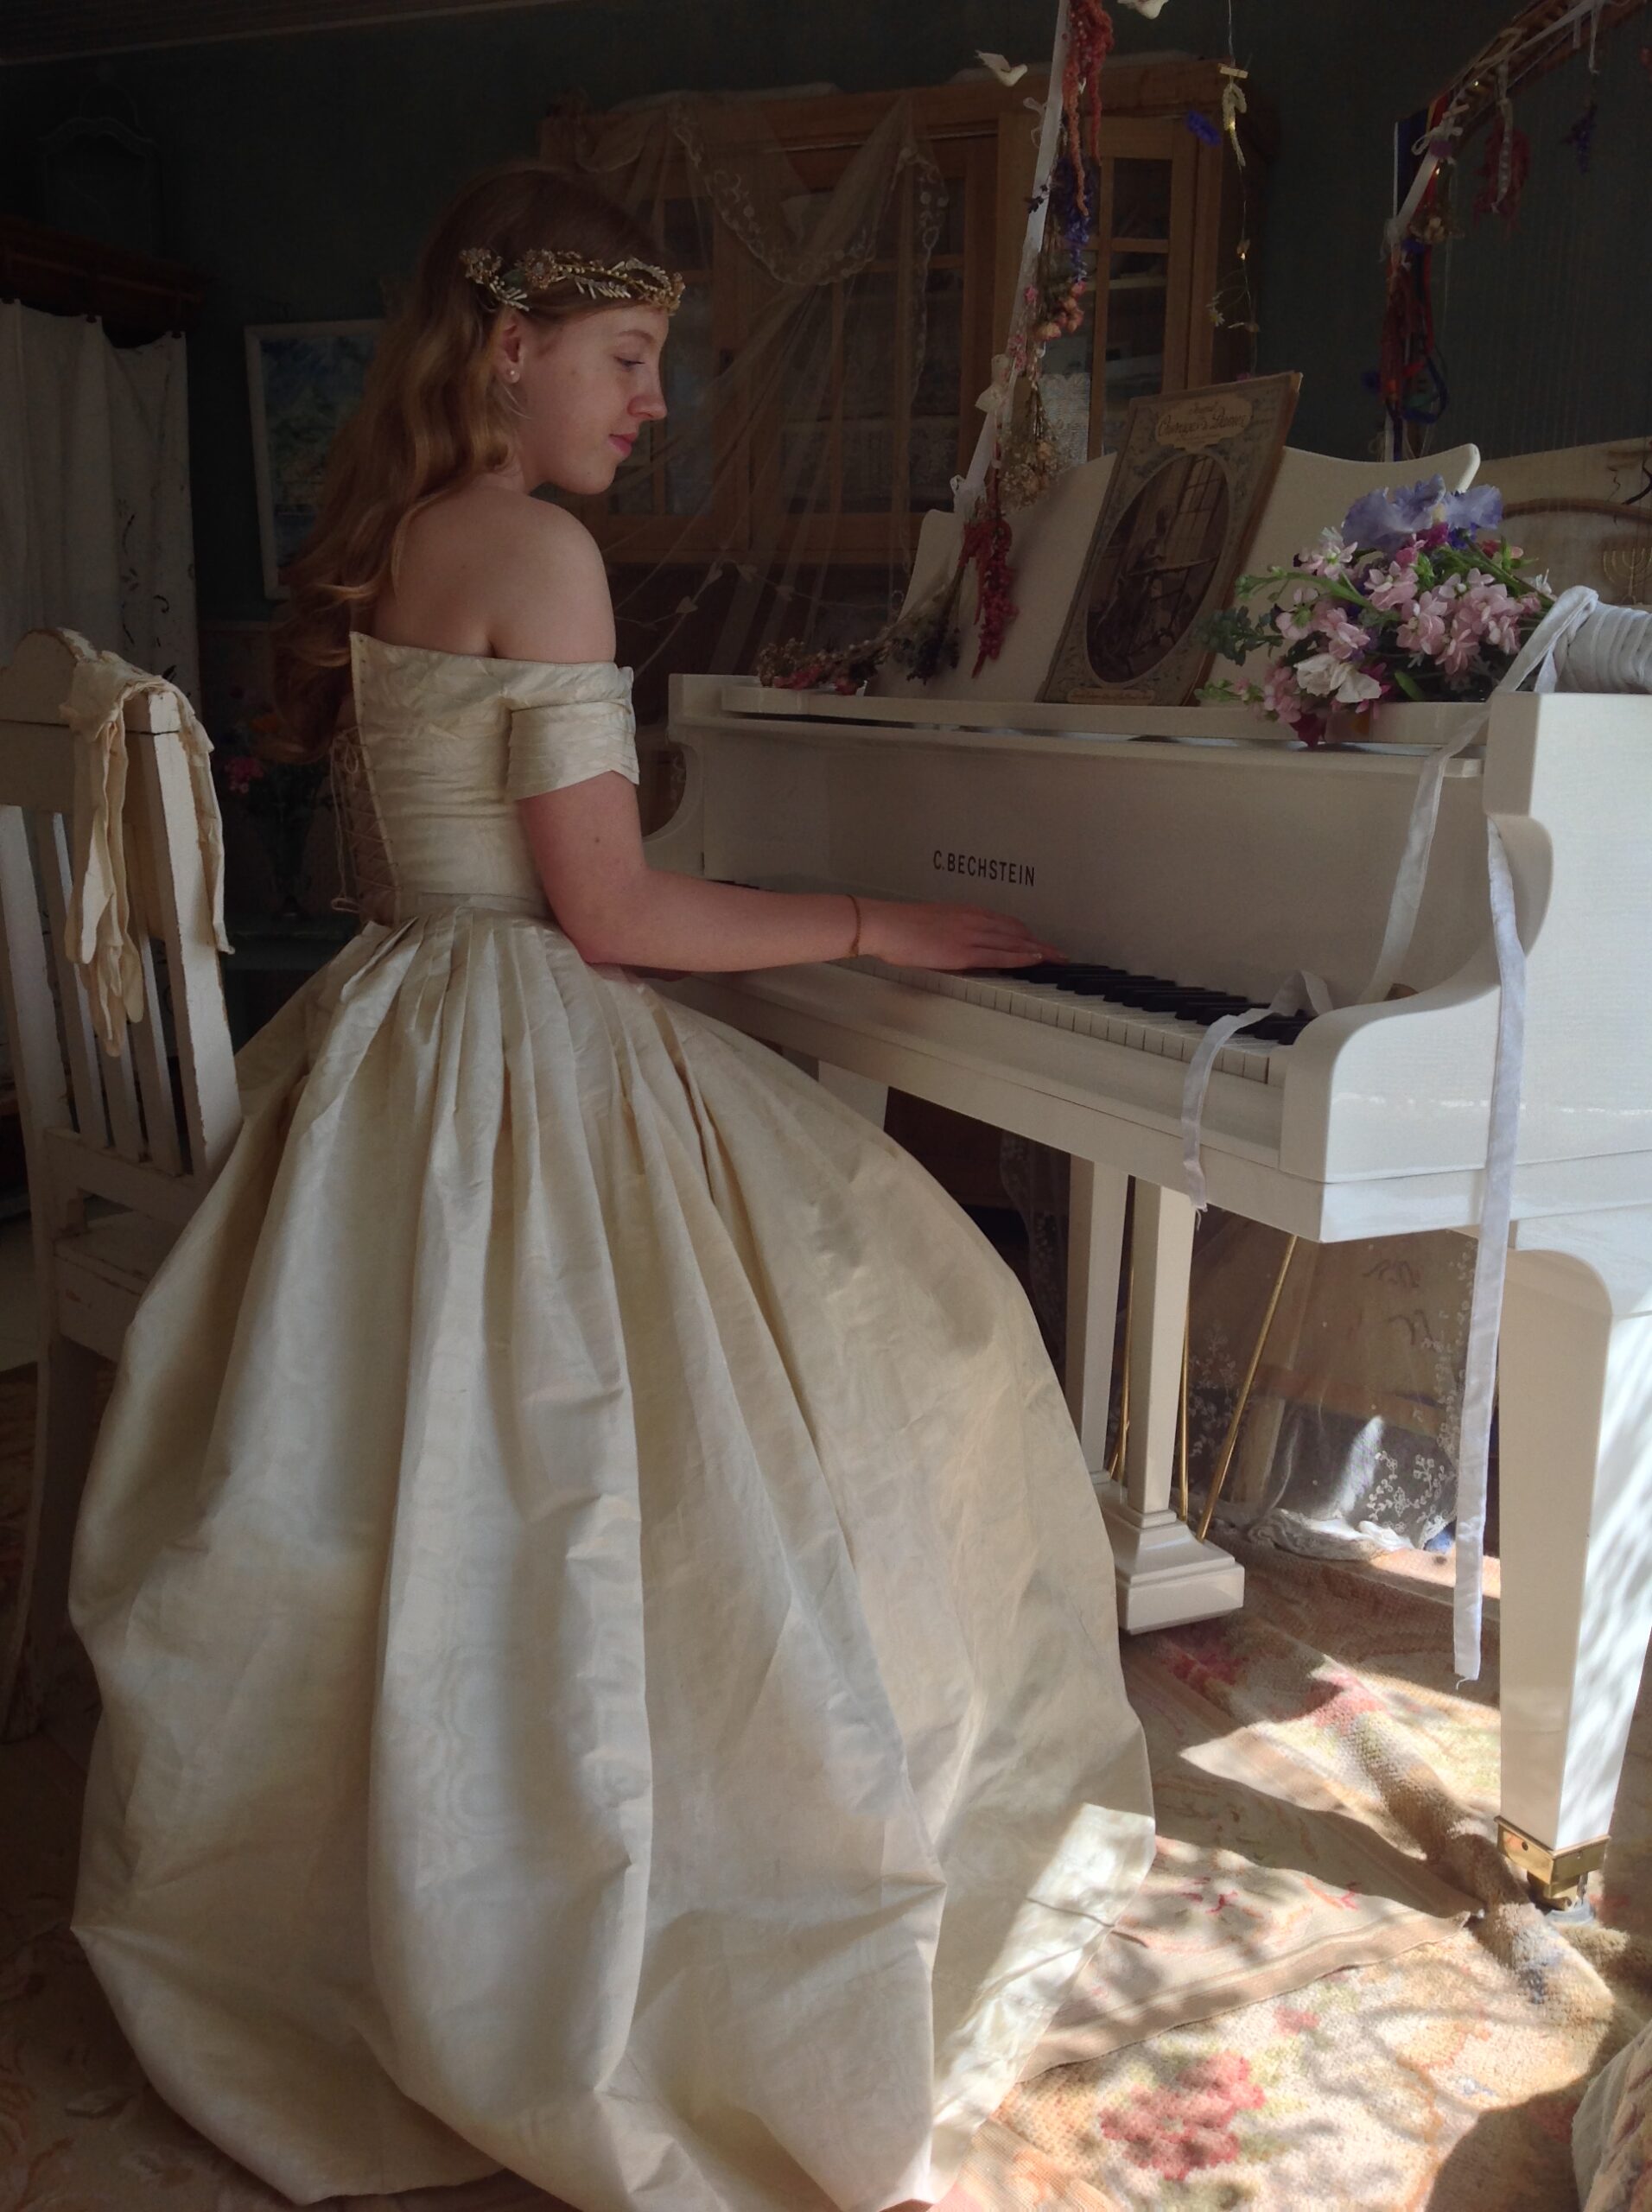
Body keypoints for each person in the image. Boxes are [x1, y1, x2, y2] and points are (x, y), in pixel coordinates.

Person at [69, 161, 1154, 2212]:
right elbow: (615, 913)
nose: (656, 404)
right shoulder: (542, 549)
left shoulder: (414, 528)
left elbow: (468, 863)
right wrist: (875, 922)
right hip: (513, 1029)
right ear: (513, 346)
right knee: (908, 1306)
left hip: (400, 1027)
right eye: (632, 357)